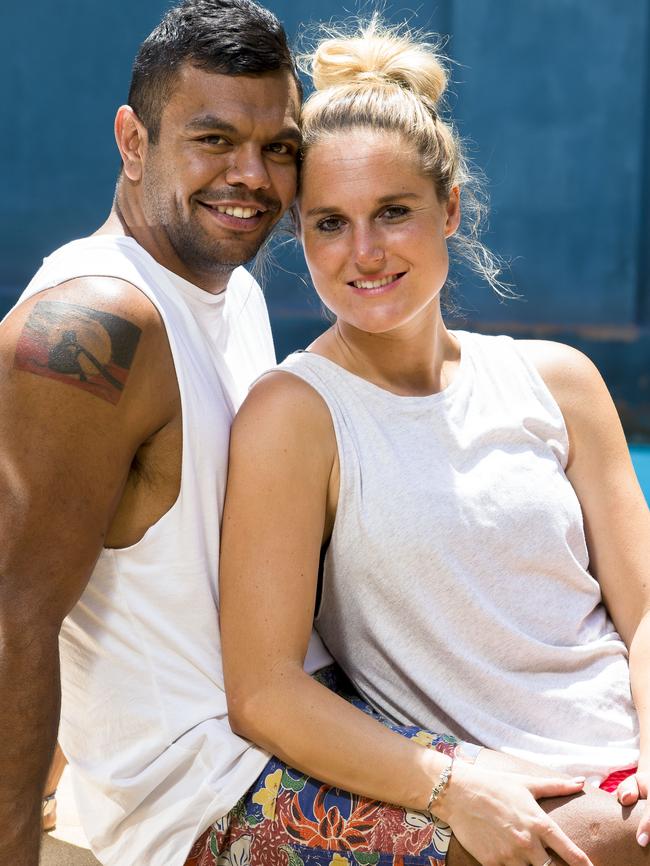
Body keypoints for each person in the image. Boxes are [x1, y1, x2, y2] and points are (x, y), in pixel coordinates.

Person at [219, 18, 650, 866]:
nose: (365, 252)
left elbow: (642, 612)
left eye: (393, 212)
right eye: (329, 224)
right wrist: (453, 784)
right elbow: (263, 691)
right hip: (525, 800)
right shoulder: (297, 415)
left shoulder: (557, 380)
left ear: (449, 208)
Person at [0, 1, 319, 863]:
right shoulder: (93, 322)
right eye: (213, 140)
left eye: (278, 148)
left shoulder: (232, 293)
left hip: (285, 742)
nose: (251, 176)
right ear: (132, 142)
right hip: (197, 809)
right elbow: (12, 619)